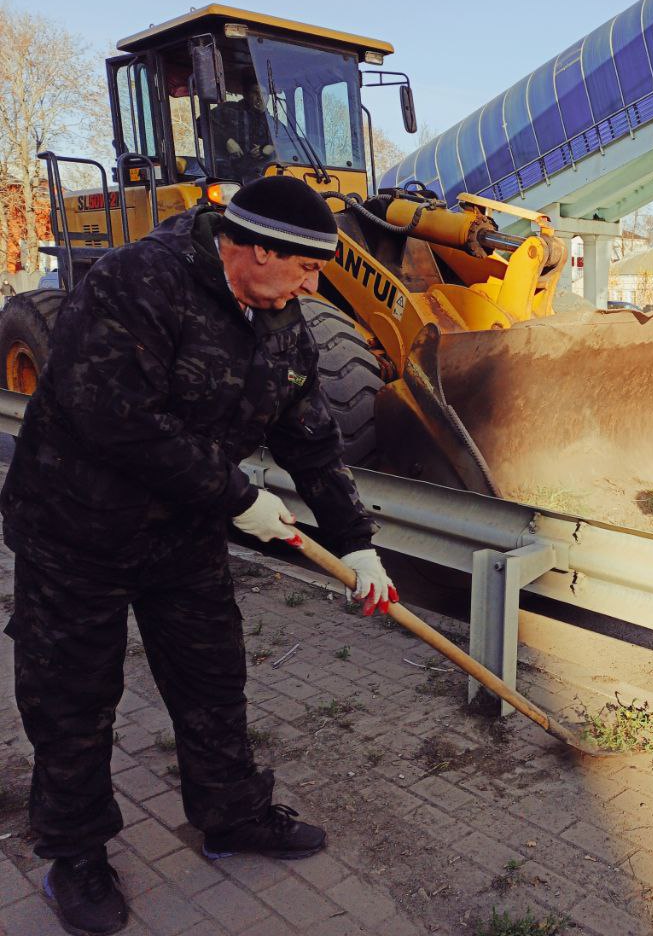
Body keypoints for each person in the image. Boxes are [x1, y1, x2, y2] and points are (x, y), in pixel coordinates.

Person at [1, 176, 397, 936]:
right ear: (248, 248)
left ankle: (231, 812)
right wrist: (236, 495)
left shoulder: (283, 320)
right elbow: (116, 418)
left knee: (213, 674)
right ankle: (76, 854)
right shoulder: (135, 284)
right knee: (72, 696)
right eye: (305, 268)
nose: (314, 285)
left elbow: (308, 436)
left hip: (181, 533)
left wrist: (357, 544)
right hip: (75, 527)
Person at [208, 86, 276, 181]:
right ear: (247, 95)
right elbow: (202, 123)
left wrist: (270, 148)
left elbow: (290, 141)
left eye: (264, 94)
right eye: (256, 92)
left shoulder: (271, 122)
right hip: (226, 177)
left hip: (260, 176)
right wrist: (227, 141)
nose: (260, 97)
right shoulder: (229, 110)